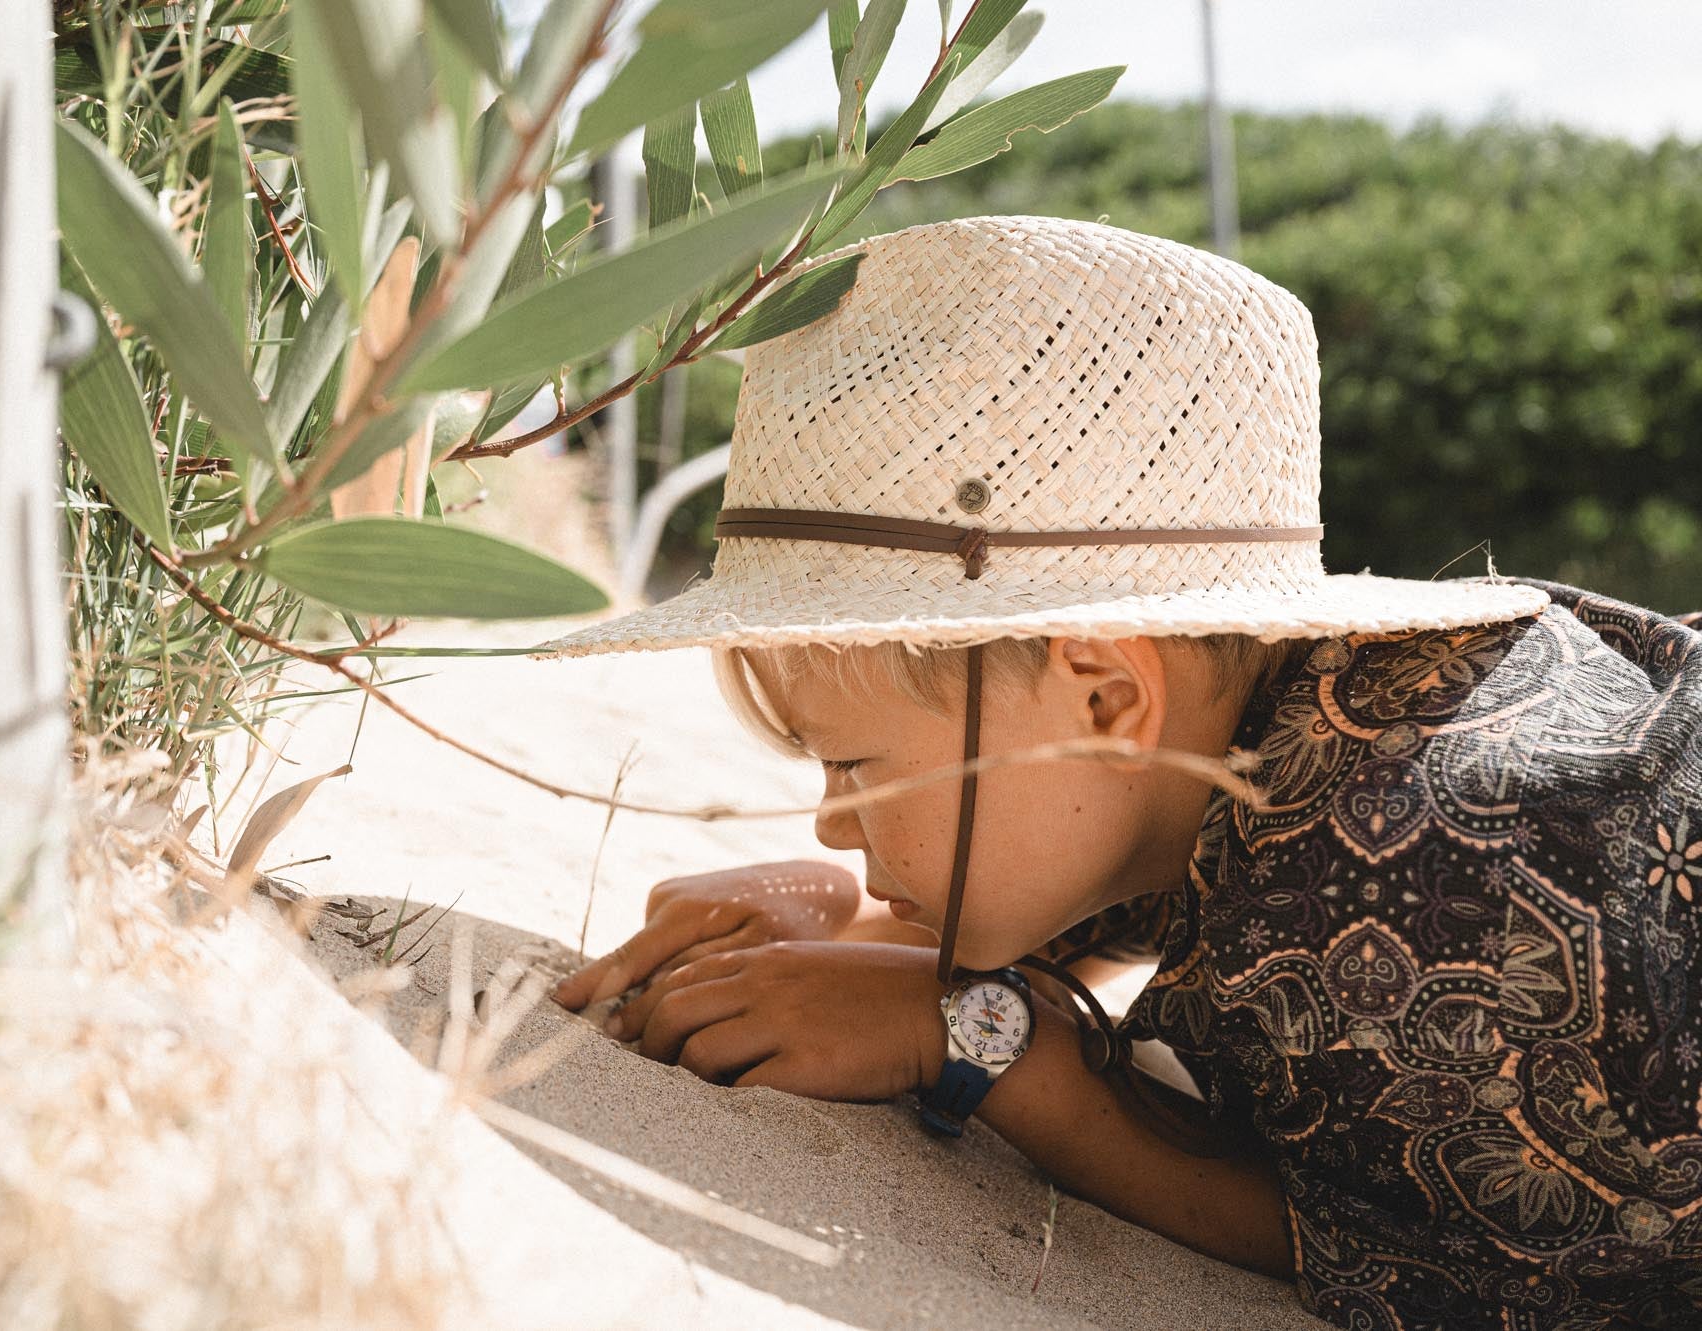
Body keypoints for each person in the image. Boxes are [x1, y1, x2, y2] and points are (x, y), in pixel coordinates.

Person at [533, 215, 1702, 1329]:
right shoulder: (1267, 719)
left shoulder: (1439, 874)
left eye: (854, 767)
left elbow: (1421, 1247)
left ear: (1104, 696)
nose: (837, 822)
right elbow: (1104, 877)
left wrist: (991, 1046)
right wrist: (856, 918)